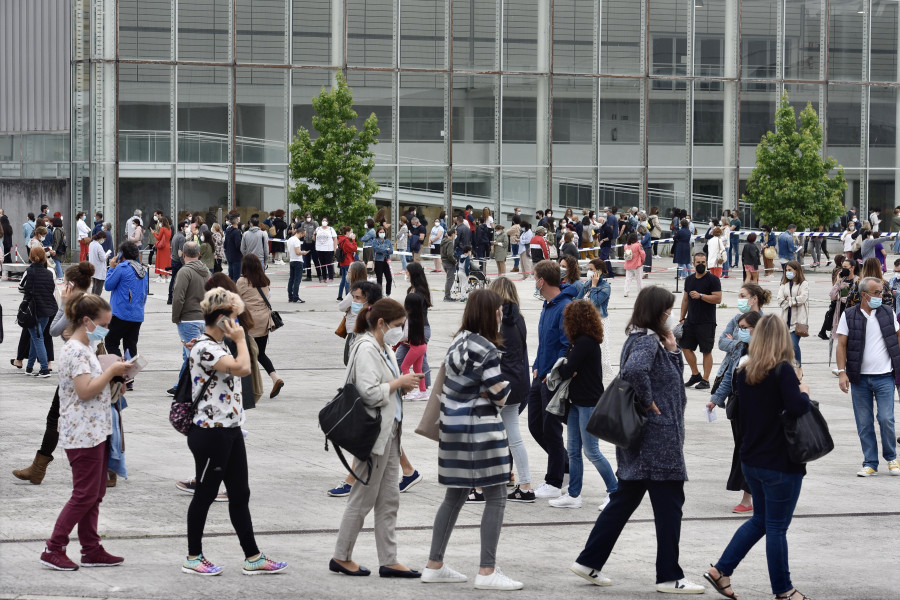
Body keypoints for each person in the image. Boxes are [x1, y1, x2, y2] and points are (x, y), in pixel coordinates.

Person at [571, 285, 704, 594]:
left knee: (624, 500)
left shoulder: (644, 338)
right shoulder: (646, 341)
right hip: (657, 440)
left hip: (643, 439)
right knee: (670, 506)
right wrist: (648, 402)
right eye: (668, 310)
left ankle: (589, 561)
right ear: (658, 312)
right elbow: (634, 372)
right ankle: (669, 576)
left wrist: (671, 352)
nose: (671, 315)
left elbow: (662, 377)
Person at [705, 315, 812, 600]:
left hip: (751, 459)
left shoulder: (745, 371)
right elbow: (797, 408)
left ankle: (722, 570)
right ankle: (784, 589)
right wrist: (804, 391)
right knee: (776, 527)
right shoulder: (782, 372)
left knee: (761, 521)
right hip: (779, 461)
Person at [181, 288, 287, 576]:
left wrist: (236, 339)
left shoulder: (217, 344)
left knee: (240, 493)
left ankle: (252, 556)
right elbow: (242, 368)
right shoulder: (207, 348)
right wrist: (240, 340)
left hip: (230, 430)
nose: (238, 325)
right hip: (211, 432)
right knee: (205, 493)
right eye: (234, 319)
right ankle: (193, 556)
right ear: (221, 319)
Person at [422, 289, 522, 590]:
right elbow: (500, 395)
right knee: (496, 497)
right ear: (490, 313)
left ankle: (434, 564)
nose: (501, 314)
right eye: (498, 310)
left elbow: (455, 387)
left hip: (452, 430)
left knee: (454, 497)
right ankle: (487, 570)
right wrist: (495, 388)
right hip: (481, 432)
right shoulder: (487, 348)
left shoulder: (458, 341)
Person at [331, 299, 422, 579]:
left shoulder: (384, 348)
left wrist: (402, 387)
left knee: (389, 499)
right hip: (373, 434)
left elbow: (386, 387)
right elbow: (369, 392)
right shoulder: (367, 348)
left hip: (390, 432)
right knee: (362, 498)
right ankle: (341, 556)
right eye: (397, 326)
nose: (400, 332)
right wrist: (399, 384)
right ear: (381, 323)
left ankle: (389, 559)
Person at [39, 293, 131, 571]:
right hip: (82, 433)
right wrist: (111, 371)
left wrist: (116, 379)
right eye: (103, 324)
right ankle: (54, 547)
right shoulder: (76, 351)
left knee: (95, 491)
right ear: (87, 321)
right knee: (84, 494)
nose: (106, 329)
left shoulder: (85, 347)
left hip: (95, 429)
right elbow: (85, 390)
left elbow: (94, 385)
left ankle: (91, 548)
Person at [13, 262, 94, 483]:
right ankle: (108, 469)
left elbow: (54, 329)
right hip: (85, 367)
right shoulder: (91, 302)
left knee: (56, 418)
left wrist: (63, 305)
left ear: (72, 283)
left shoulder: (76, 304)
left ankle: (39, 469)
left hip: (77, 370)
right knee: (87, 418)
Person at [551, 300, 618, 511]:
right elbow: (570, 367)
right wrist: (569, 368)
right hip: (576, 401)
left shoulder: (585, 342)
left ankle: (615, 492)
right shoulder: (579, 342)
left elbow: (567, 369)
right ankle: (573, 494)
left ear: (575, 320)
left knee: (591, 451)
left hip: (588, 402)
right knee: (573, 450)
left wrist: (566, 369)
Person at [834, 276, 900, 477]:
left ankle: (891, 458)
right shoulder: (850, 315)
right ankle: (870, 462)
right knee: (864, 422)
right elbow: (841, 345)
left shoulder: (888, 313)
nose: (882, 296)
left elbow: (897, 338)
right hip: (859, 379)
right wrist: (842, 373)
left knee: (886, 418)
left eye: (882, 292)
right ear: (864, 295)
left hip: (885, 377)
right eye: (877, 293)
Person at [528, 260, 578, 499]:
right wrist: (537, 366)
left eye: (534, 277)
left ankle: (554, 480)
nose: (533, 282)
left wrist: (551, 373)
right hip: (540, 374)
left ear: (542, 280)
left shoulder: (565, 307)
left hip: (552, 379)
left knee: (551, 428)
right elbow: (543, 343)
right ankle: (565, 465)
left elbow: (565, 346)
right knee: (535, 425)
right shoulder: (548, 306)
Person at [707, 311, 762, 515]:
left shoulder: (766, 351)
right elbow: (730, 375)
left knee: (750, 451)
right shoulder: (740, 348)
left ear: (757, 328)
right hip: (739, 407)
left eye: (745, 328)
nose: (741, 331)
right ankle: (751, 495)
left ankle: (749, 498)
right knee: (742, 450)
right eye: (739, 327)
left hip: (757, 410)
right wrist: (716, 399)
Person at [488, 277, 534, 503]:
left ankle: (483, 484)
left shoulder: (500, 322)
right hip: (518, 381)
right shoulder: (519, 319)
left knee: (485, 433)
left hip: (501, 383)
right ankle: (524, 485)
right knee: (514, 436)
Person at [237, 254, 284, 399]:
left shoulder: (242, 281)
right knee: (260, 353)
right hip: (264, 321)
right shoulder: (265, 280)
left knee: (246, 355)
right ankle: (275, 378)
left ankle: (248, 387)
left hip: (249, 322)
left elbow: (236, 300)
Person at [168, 242, 211, 396]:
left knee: (192, 356)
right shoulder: (206, 271)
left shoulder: (184, 272)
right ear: (198, 254)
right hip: (203, 318)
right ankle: (180, 385)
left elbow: (178, 297)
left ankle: (188, 387)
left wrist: (176, 317)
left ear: (183, 254)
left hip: (188, 318)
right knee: (189, 354)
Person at [680, 252, 722, 389]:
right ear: (693, 264)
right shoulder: (689, 280)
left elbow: (718, 299)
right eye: (698, 263)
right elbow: (685, 299)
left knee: (706, 351)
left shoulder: (713, 280)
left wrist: (701, 296)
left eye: (703, 262)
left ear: (706, 263)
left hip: (707, 322)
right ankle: (695, 374)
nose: (701, 265)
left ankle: (705, 379)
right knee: (685, 347)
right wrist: (682, 318)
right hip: (690, 321)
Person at [103, 241, 149, 361]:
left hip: (120, 313)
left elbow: (108, 285)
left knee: (111, 343)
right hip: (137, 315)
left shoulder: (121, 268)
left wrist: (111, 267)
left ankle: (120, 373)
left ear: (121, 254)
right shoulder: (143, 271)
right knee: (130, 347)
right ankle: (129, 376)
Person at [19, 247, 58, 377]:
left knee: (37, 338)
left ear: (31, 256)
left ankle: (44, 368)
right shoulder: (51, 272)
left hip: (33, 310)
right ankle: (29, 368)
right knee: (36, 337)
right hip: (48, 309)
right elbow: (53, 287)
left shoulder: (28, 271)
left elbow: (20, 287)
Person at [577, 258, 614, 383]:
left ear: (599, 271)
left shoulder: (605, 287)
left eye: (591, 270)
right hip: (585, 321)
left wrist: (593, 286)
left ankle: (602, 374)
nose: (589, 272)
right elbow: (577, 299)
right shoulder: (586, 283)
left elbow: (594, 302)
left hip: (599, 320)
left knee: (602, 348)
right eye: (588, 269)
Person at [398, 277, 429, 401]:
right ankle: (423, 391)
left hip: (416, 347)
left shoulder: (408, 319)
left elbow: (405, 334)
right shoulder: (419, 317)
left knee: (404, 367)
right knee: (417, 369)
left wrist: (397, 340)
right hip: (421, 346)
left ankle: (408, 389)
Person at [777, 261, 809, 374]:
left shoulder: (803, 283)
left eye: (790, 270)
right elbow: (779, 300)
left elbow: (803, 298)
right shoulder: (783, 284)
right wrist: (793, 300)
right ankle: (788, 369)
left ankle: (798, 368)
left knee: (793, 344)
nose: (787, 272)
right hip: (785, 320)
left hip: (798, 321)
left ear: (796, 270)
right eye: (786, 270)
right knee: (785, 347)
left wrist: (788, 300)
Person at [285, 226, 308, 303]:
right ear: (300, 233)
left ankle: (290, 296)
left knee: (291, 279)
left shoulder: (290, 239)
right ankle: (295, 296)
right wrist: (304, 252)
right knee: (297, 280)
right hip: (298, 261)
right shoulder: (296, 240)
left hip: (291, 260)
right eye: (303, 234)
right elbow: (298, 252)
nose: (303, 236)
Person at [168, 220, 189, 303]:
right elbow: (180, 252)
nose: (187, 228)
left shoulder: (176, 236)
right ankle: (177, 298)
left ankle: (170, 297)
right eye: (186, 226)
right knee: (180, 281)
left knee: (173, 279)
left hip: (173, 260)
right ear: (182, 228)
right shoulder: (181, 238)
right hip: (178, 262)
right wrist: (184, 263)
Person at [336, 226, 358, 302]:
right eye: (351, 232)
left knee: (343, 280)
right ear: (348, 232)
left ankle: (339, 296)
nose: (352, 234)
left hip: (342, 262)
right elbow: (354, 249)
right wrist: (354, 240)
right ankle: (347, 297)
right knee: (348, 280)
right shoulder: (346, 240)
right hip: (348, 261)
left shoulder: (341, 239)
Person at [372, 225, 394, 295]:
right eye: (380, 232)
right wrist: (385, 249)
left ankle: (388, 294)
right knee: (379, 279)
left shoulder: (388, 241)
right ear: (378, 233)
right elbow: (376, 249)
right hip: (378, 261)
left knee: (389, 279)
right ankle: (379, 295)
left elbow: (391, 251)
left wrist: (383, 249)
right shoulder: (375, 241)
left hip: (386, 260)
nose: (382, 233)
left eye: (383, 232)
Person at [314, 216, 338, 282]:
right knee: (322, 264)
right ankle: (324, 277)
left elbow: (335, 238)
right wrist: (313, 235)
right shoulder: (318, 229)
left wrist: (335, 248)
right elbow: (314, 238)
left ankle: (330, 277)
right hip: (319, 249)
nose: (324, 222)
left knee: (329, 263)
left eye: (325, 221)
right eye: (323, 220)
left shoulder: (330, 229)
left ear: (327, 222)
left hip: (329, 249)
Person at [623, 232, 645, 297]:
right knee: (639, 279)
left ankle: (626, 292)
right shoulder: (638, 245)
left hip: (628, 265)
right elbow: (643, 254)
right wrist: (642, 260)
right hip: (637, 265)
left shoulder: (626, 246)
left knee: (628, 279)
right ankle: (640, 292)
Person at [87, 230, 108, 296]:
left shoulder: (91, 244)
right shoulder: (99, 246)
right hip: (99, 269)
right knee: (98, 289)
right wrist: (106, 256)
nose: (103, 240)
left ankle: (92, 300)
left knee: (94, 287)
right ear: (101, 238)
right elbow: (102, 258)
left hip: (93, 267)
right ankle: (95, 302)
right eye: (104, 239)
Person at [152, 216, 172, 283]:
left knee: (162, 262)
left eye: (160, 222)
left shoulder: (162, 228)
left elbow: (158, 238)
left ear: (162, 222)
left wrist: (154, 233)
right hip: (167, 246)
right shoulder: (169, 229)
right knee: (167, 262)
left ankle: (163, 278)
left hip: (162, 247)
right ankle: (167, 277)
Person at [223, 214, 243, 282]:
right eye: (239, 220)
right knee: (236, 277)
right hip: (236, 257)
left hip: (229, 256)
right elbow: (238, 245)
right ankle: (235, 290)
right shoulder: (237, 232)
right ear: (237, 221)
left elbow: (225, 244)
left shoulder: (228, 230)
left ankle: (230, 289)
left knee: (231, 276)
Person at [440, 227, 458, 301]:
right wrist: (455, 261)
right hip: (449, 262)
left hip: (444, 261)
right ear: (453, 234)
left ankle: (447, 295)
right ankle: (447, 296)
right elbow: (450, 254)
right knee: (450, 279)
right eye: (455, 234)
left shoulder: (443, 241)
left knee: (448, 279)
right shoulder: (450, 242)